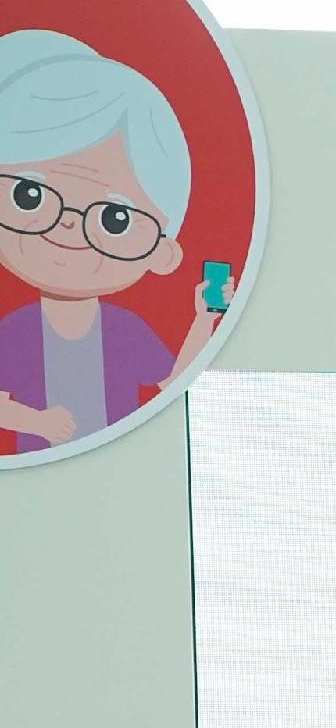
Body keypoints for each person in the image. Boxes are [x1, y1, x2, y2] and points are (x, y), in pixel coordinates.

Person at [0, 32, 225, 454]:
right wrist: (36, 421)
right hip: (29, 486)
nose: (66, 227)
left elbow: (171, 383)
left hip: (117, 474)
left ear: (162, 250)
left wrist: (204, 319)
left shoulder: (124, 330)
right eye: (29, 195)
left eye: (115, 219)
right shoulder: (18, 331)